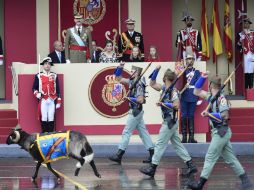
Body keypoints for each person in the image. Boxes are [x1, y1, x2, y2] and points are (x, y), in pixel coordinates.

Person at [187, 73, 253, 190]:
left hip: (221, 131)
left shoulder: (222, 99)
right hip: (218, 132)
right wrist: (202, 77)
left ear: (211, 85)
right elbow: (196, 91)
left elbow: (225, 116)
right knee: (231, 158)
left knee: (210, 156)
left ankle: (200, 184)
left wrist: (209, 115)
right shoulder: (210, 97)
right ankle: (246, 181)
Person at [139, 66, 197, 177]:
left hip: (170, 121)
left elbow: (177, 105)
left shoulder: (173, 91)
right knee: (177, 145)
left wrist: (163, 104)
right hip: (169, 121)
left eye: (163, 76)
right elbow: (152, 83)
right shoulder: (164, 89)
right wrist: (156, 70)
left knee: (160, 144)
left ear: (165, 78)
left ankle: (152, 168)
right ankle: (191, 166)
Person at [108, 62, 154, 164]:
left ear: (137, 73)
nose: (131, 72)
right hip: (136, 111)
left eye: (133, 71)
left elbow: (141, 100)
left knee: (126, 132)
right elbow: (118, 78)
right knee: (143, 133)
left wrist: (129, 98)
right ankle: (152, 153)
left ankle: (119, 154)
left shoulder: (139, 84)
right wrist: (120, 67)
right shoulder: (131, 81)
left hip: (135, 111)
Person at [32, 57, 61, 133]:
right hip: (43, 99)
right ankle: (44, 134)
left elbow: (57, 89)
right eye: (45, 64)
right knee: (44, 117)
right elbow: (34, 88)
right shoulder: (38, 75)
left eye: (48, 64)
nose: (47, 65)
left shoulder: (54, 75)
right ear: (43, 65)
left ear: (50, 65)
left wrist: (59, 101)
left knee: (51, 117)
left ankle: (51, 134)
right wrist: (37, 94)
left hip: (52, 99)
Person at [180, 54, 200, 143]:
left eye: (192, 59)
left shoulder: (197, 72)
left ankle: (191, 137)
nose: (190, 60)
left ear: (194, 60)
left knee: (191, 115)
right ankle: (184, 137)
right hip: (184, 95)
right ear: (186, 60)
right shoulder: (182, 71)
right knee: (184, 115)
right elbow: (179, 82)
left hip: (193, 95)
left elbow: (198, 84)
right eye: (188, 59)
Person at [237, 17, 254, 89]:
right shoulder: (240, 34)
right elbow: (238, 45)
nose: (246, 24)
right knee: (246, 72)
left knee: (251, 71)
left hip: (252, 54)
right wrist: (241, 39)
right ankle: (246, 89)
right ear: (242, 24)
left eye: (248, 23)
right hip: (245, 54)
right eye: (245, 23)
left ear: (249, 24)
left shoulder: (253, 33)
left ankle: (251, 88)